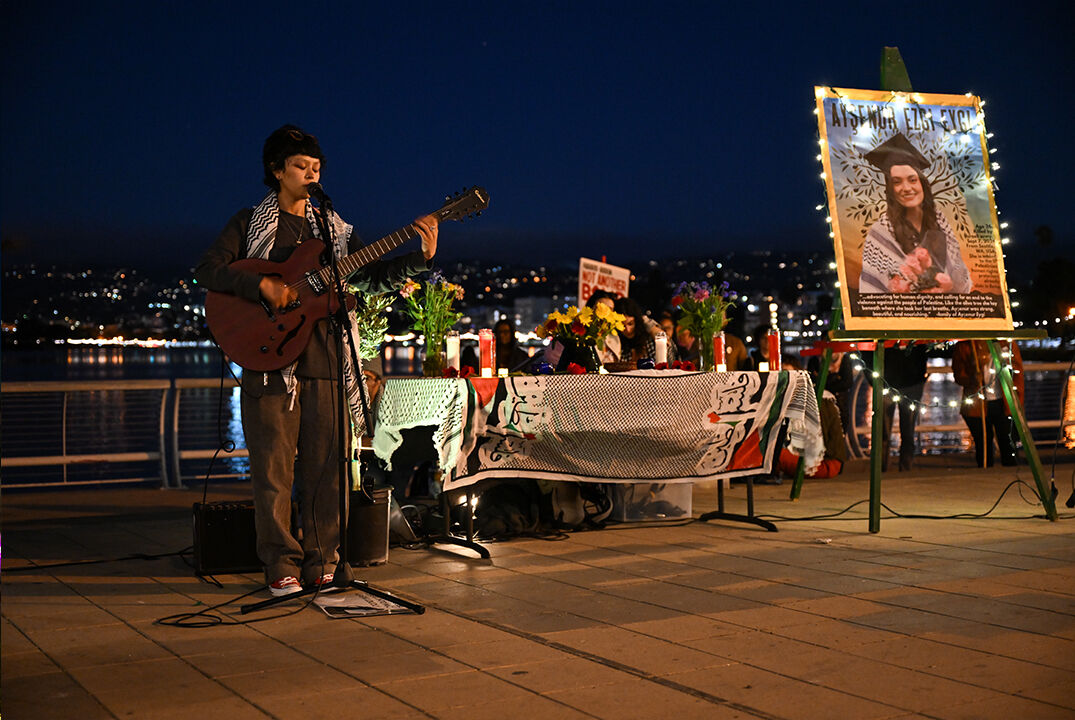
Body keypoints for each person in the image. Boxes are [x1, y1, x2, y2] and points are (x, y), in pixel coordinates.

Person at [195, 125, 438, 596]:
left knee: (327, 469)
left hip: (326, 357)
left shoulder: (335, 231)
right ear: (276, 170)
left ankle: (323, 560)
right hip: (270, 363)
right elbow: (208, 270)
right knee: (273, 471)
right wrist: (261, 286)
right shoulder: (248, 224)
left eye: (316, 168)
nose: (311, 174)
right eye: (301, 167)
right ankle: (280, 565)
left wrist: (420, 258)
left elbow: (369, 279)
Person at [858, 133, 972, 294]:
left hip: (946, 314)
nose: (906, 188)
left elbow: (960, 278)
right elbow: (872, 288)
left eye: (912, 180)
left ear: (922, 183)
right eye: (896, 182)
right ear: (890, 189)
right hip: (901, 317)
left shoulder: (940, 221)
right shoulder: (881, 232)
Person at [952, 339, 1024, 467]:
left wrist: (1017, 400)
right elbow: (959, 375)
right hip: (977, 405)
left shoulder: (1007, 344)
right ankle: (985, 474)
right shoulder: (966, 346)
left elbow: (1018, 374)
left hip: (1004, 402)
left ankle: (1010, 475)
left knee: (1008, 445)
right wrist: (973, 376)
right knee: (983, 446)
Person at [864, 342, 929, 471]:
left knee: (895, 432)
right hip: (903, 383)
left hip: (900, 382)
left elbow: (866, 353)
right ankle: (899, 468)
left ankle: (884, 469)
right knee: (899, 431)